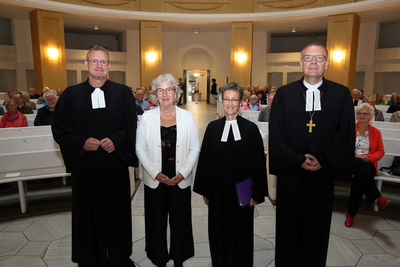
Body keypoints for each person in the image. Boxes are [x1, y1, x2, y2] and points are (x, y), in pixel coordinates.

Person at [269, 42, 355, 267]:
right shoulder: (285, 94)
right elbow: (277, 134)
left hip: (322, 174)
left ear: (327, 63)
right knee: (289, 226)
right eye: (308, 58)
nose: (313, 62)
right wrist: (298, 159)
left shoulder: (341, 94)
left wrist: (322, 158)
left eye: (319, 58)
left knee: (317, 227)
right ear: (301, 63)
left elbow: (345, 133)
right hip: (291, 173)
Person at [52, 45, 137, 267]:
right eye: (94, 61)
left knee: (116, 214)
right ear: (86, 65)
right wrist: (82, 142)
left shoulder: (122, 93)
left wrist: (116, 141)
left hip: (114, 167)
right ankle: (90, 258)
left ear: (109, 66)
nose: (99, 66)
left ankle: (118, 256)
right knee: (87, 215)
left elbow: (131, 126)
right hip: (85, 168)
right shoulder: (71, 95)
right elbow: (60, 129)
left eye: (103, 62)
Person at [193, 82, 268, 267]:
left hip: (243, 190)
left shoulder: (250, 130)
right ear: (222, 100)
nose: (230, 103)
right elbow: (205, 161)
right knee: (218, 232)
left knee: (241, 232)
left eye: (234, 99)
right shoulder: (213, 128)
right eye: (227, 99)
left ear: (241, 101)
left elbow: (258, 163)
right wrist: (206, 190)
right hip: (218, 190)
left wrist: (257, 193)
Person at [136, 74, 200, 267]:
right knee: (156, 220)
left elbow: (195, 147)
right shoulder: (147, 118)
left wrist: (184, 173)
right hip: (155, 177)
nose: (165, 94)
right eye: (160, 90)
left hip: (180, 176)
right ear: (155, 94)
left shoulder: (187, 117)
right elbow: (140, 148)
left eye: (169, 89)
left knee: (180, 220)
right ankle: (159, 257)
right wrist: (155, 173)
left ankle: (179, 257)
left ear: (176, 92)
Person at [344, 103, 390, 227]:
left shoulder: (376, 132)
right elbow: (344, 148)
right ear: (356, 116)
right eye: (360, 113)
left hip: (368, 163)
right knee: (359, 165)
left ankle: (351, 215)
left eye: (365, 113)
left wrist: (369, 158)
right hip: (351, 162)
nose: (362, 115)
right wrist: (356, 156)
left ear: (370, 116)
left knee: (360, 178)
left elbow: (381, 151)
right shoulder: (350, 129)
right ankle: (375, 197)